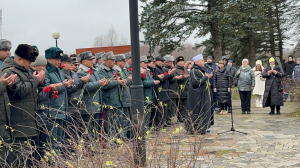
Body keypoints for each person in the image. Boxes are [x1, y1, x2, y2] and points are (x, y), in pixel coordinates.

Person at [1, 44, 44, 167]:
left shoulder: (23, 70)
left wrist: (39, 83)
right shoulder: (10, 71)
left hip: (26, 122)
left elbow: (30, 92)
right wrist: (35, 80)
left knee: (24, 159)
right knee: (17, 160)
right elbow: (18, 92)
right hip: (17, 124)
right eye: (28, 61)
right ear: (19, 59)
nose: (30, 64)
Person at [45, 47, 73, 154]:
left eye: (60, 59)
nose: (59, 61)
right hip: (52, 109)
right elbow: (48, 88)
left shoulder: (58, 71)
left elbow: (61, 86)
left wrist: (68, 85)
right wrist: (63, 85)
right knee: (52, 137)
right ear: (49, 58)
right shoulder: (47, 71)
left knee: (58, 137)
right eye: (56, 59)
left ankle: (57, 157)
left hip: (61, 108)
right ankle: (52, 160)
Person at [77, 51, 107, 141]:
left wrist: (103, 82)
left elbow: (97, 83)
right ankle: (88, 149)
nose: (92, 61)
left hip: (96, 104)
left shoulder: (94, 70)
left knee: (95, 129)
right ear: (83, 61)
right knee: (88, 129)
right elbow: (85, 87)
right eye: (89, 60)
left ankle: (95, 148)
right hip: (87, 105)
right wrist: (99, 83)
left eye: (92, 59)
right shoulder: (81, 72)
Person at [98, 51, 127, 144]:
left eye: (114, 60)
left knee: (115, 122)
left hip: (116, 99)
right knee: (108, 122)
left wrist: (122, 81)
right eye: (112, 60)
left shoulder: (113, 70)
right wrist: (117, 82)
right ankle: (109, 140)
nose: (114, 62)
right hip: (108, 100)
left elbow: (119, 79)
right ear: (106, 60)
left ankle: (115, 139)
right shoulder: (101, 70)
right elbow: (105, 84)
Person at [61, 54, 91, 142]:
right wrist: (81, 81)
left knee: (75, 131)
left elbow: (77, 87)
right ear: (63, 63)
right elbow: (69, 90)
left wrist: (83, 81)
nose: (71, 64)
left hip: (77, 105)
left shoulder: (74, 73)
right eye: (69, 62)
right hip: (69, 106)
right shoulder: (62, 74)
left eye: (72, 62)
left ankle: (74, 151)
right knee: (69, 132)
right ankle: (69, 152)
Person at [186, 54, 213, 135]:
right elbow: (196, 82)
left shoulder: (201, 70)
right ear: (197, 62)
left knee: (205, 110)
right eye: (202, 60)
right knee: (199, 111)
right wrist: (205, 77)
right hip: (198, 96)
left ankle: (204, 126)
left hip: (204, 94)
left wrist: (207, 77)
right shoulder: (194, 70)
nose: (203, 62)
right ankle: (197, 127)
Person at [113, 54, 132, 139]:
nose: (125, 63)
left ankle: (125, 135)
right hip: (120, 98)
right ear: (117, 62)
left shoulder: (124, 70)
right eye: (123, 61)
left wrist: (128, 80)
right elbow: (123, 82)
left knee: (126, 118)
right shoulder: (116, 71)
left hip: (125, 96)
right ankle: (122, 136)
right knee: (121, 119)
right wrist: (128, 80)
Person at [153, 55, 175, 130]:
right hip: (160, 90)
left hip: (165, 90)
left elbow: (167, 78)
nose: (162, 63)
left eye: (163, 61)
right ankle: (159, 123)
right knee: (160, 108)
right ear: (157, 61)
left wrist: (170, 74)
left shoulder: (162, 69)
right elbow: (159, 79)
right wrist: (168, 74)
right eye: (161, 61)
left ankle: (163, 121)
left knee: (165, 108)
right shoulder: (155, 69)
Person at [140, 56, 160, 129]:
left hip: (149, 94)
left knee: (148, 113)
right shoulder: (139, 71)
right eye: (144, 63)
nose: (146, 64)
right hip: (144, 95)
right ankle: (144, 129)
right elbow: (143, 83)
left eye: (147, 63)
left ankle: (147, 128)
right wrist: (153, 82)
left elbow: (150, 79)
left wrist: (153, 81)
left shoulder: (147, 71)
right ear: (140, 63)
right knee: (145, 114)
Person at [163, 55, 180, 125]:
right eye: (170, 62)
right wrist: (175, 78)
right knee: (169, 106)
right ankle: (168, 119)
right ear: (166, 62)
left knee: (173, 106)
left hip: (174, 89)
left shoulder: (172, 68)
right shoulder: (165, 69)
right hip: (169, 89)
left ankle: (173, 119)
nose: (172, 63)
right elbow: (168, 79)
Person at [174, 56, 189, 123]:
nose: (182, 62)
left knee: (185, 105)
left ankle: (184, 116)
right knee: (179, 105)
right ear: (177, 62)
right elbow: (174, 80)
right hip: (179, 89)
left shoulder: (185, 70)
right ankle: (179, 117)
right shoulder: (175, 70)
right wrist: (183, 77)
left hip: (186, 89)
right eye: (180, 61)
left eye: (183, 61)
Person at [146, 56, 160, 128]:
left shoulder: (152, 70)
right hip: (149, 92)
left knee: (155, 108)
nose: (154, 64)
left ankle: (154, 124)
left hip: (154, 91)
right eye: (153, 63)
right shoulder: (148, 71)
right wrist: (154, 81)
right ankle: (151, 125)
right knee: (150, 110)